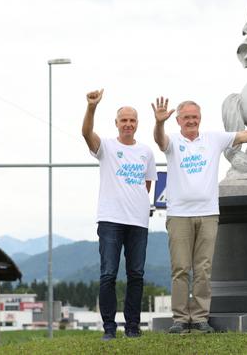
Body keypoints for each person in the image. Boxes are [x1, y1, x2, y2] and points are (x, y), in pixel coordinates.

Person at [152, 97, 247, 334]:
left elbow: (245, 136)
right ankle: (180, 318)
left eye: (195, 117)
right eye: (186, 117)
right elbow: (159, 140)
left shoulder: (213, 139)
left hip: (207, 214)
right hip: (179, 215)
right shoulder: (173, 141)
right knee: (181, 268)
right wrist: (159, 123)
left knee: (203, 269)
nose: (191, 121)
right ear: (178, 120)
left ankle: (200, 317)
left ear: (200, 118)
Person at [81, 89, 157, 341]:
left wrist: (134, 204)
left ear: (137, 124)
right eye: (123, 120)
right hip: (110, 220)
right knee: (108, 274)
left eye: (132, 120)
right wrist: (91, 107)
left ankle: (133, 327)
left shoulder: (146, 152)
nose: (128, 124)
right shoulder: (107, 147)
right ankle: (109, 328)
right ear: (116, 123)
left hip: (138, 221)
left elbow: (146, 185)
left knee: (136, 274)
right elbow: (86, 134)